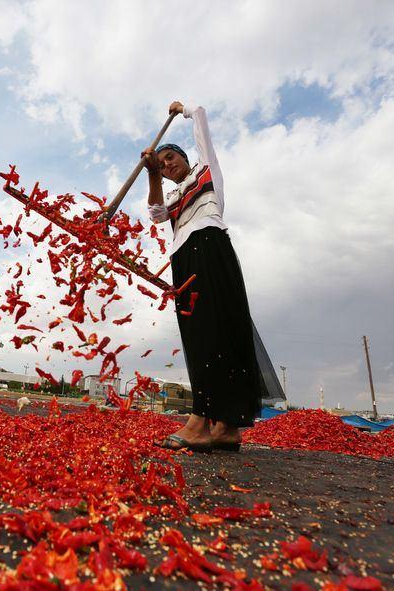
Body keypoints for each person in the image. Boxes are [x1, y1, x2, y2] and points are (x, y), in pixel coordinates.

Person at [144, 100, 261, 452]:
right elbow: (155, 213)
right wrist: (150, 174)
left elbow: (203, 127)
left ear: (184, 157)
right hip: (182, 257)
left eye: (171, 158)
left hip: (209, 246)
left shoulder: (206, 173)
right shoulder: (175, 196)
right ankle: (225, 427)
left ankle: (201, 421)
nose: (169, 165)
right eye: (163, 165)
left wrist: (186, 110)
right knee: (199, 334)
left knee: (216, 330)